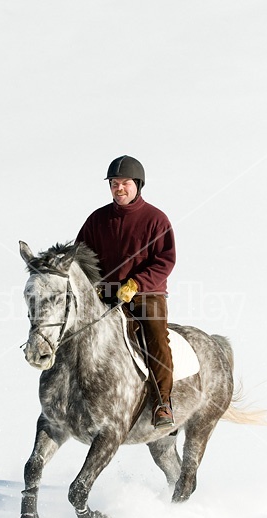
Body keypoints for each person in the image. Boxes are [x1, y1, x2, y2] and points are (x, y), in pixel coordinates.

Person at [76, 155, 176, 428]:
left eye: (125, 183)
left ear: (138, 185)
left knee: (155, 338)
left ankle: (162, 403)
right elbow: (81, 257)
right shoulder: (97, 220)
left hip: (147, 294)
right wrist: (93, 287)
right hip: (106, 293)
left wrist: (136, 284)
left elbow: (165, 260)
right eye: (114, 183)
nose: (119, 188)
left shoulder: (156, 219)